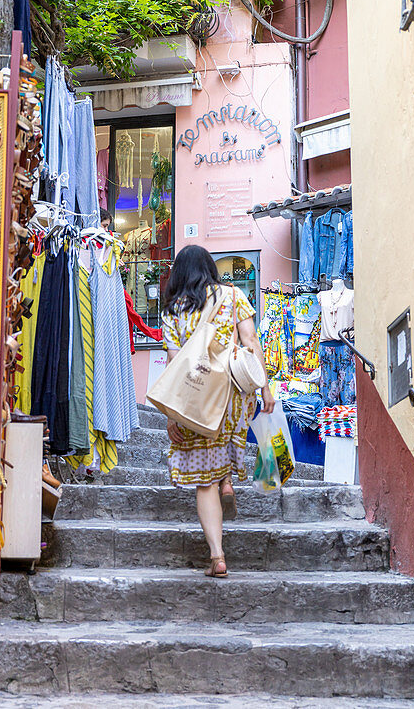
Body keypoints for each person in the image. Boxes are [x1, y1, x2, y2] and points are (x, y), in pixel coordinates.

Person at [161, 245, 274, 579]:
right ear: (211, 268)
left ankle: (217, 556)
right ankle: (227, 480)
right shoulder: (232, 294)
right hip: (234, 394)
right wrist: (265, 387)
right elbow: (251, 341)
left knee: (203, 482)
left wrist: (172, 414)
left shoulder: (173, 310)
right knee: (223, 446)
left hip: (196, 397)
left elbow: (173, 361)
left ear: (178, 273)